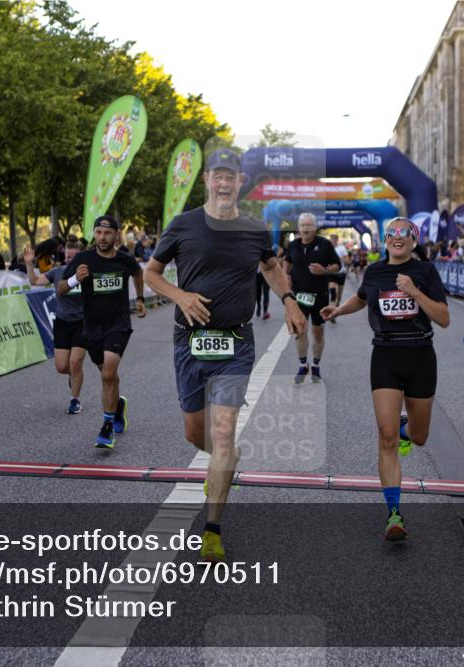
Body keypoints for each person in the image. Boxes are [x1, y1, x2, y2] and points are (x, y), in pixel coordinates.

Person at [144, 148, 306, 562]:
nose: (223, 183)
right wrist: (180, 296)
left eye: (230, 176)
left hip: (235, 343)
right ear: (206, 181)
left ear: (239, 183)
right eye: (217, 175)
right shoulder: (182, 225)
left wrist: (288, 299)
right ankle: (222, 465)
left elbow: (270, 267)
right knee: (195, 434)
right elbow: (151, 273)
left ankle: (212, 529)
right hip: (189, 342)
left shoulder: (254, 229)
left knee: (222, 435)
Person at [320, 217, 450, 541]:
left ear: (414, 241)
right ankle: (394, 513)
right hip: (386, 355)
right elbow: (363, 298)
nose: (398, 237)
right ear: (385, 240)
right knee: (387, 435)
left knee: (418, 437)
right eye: (392, 233)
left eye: (405, 234)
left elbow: (444, 318)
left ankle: (409, 428)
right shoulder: (375, 271)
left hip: (420, 355)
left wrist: (414, 291)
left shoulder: (426, 272)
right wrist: (337, 311)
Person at [61, 216, 146, 448]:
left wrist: (139, 298)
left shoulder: (124, 260)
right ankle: (117, 405)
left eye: (107, 233)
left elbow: (138, 273)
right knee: (105, 372)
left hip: (118, 324)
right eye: (98, 232)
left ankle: (107, 427)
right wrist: (74, 280)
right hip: (92, 328)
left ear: (116, 235)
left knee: (108, 374)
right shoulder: (83, 259)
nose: (102, 237)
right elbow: (60, 288)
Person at [25, 240, 87, 414]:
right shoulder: (58, 272)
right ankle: (74, 376)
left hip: (82, 322)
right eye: (67, 256)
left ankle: (75, 400)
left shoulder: (86, 273)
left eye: (73, 256)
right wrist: (29, 263)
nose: (69, 259)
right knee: (62, 367)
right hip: (62, 322)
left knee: (75, 363)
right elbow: (35, 281)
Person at [283, 213, 340, 383]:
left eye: (309, 225)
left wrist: (324, 271)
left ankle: (316, 365)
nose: (306, 228)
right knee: (299, 331)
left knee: (318, 333)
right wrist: (285, 274)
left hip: (319, 296)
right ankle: (303, 366)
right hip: (299, 296)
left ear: (315, 227)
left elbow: (338, 266)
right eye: (303, 225)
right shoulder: (293, 245)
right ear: (299, 227)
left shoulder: (325, 244)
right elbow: (287, 260)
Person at [328, 233, 350, 312]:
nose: (333, 241)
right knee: (333, 291)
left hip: (341, 273)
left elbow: (348, 261)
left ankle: (337, 304)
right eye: (331, 239)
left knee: (339, 295)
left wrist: (340, 258)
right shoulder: (327, 248)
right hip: (331, 273)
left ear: (337, 240)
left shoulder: (342, 248)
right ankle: (332, 309)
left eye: (334, 239)